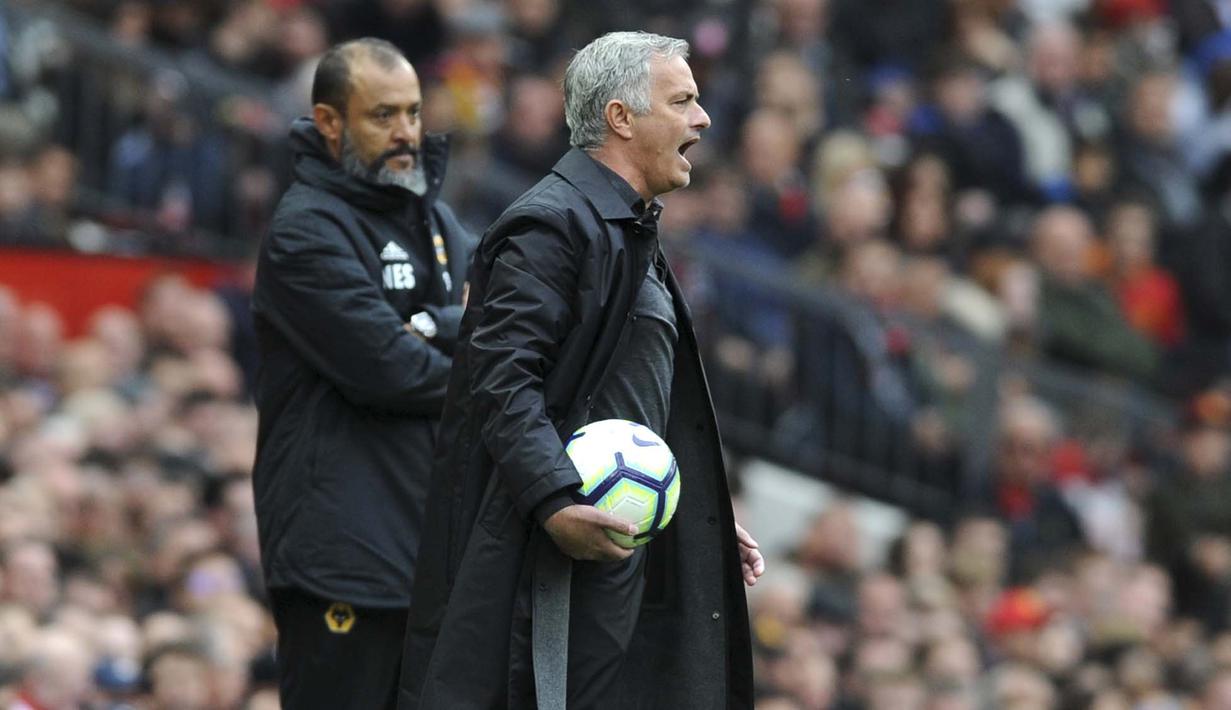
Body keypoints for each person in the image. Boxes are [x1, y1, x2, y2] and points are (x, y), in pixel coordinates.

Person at [398, 31, 765, 710]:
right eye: (682, 99)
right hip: (550, 561)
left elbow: (632, 399)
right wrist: (554, 501)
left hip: (609, 547)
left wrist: (687, 507)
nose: (703, 118)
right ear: (621, 117)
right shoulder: (550, 226)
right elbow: (500, 381)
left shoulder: (625, 229)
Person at [250, 38, 473, 710]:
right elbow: (395, 373)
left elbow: (489, 332)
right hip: (342, 554)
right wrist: (453, 332)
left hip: (428, 550)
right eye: (382, 115)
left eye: (411, 111)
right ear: (328, 122)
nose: (405, 131)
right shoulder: (304, 232)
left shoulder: (439, 221)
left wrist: (433, 324)